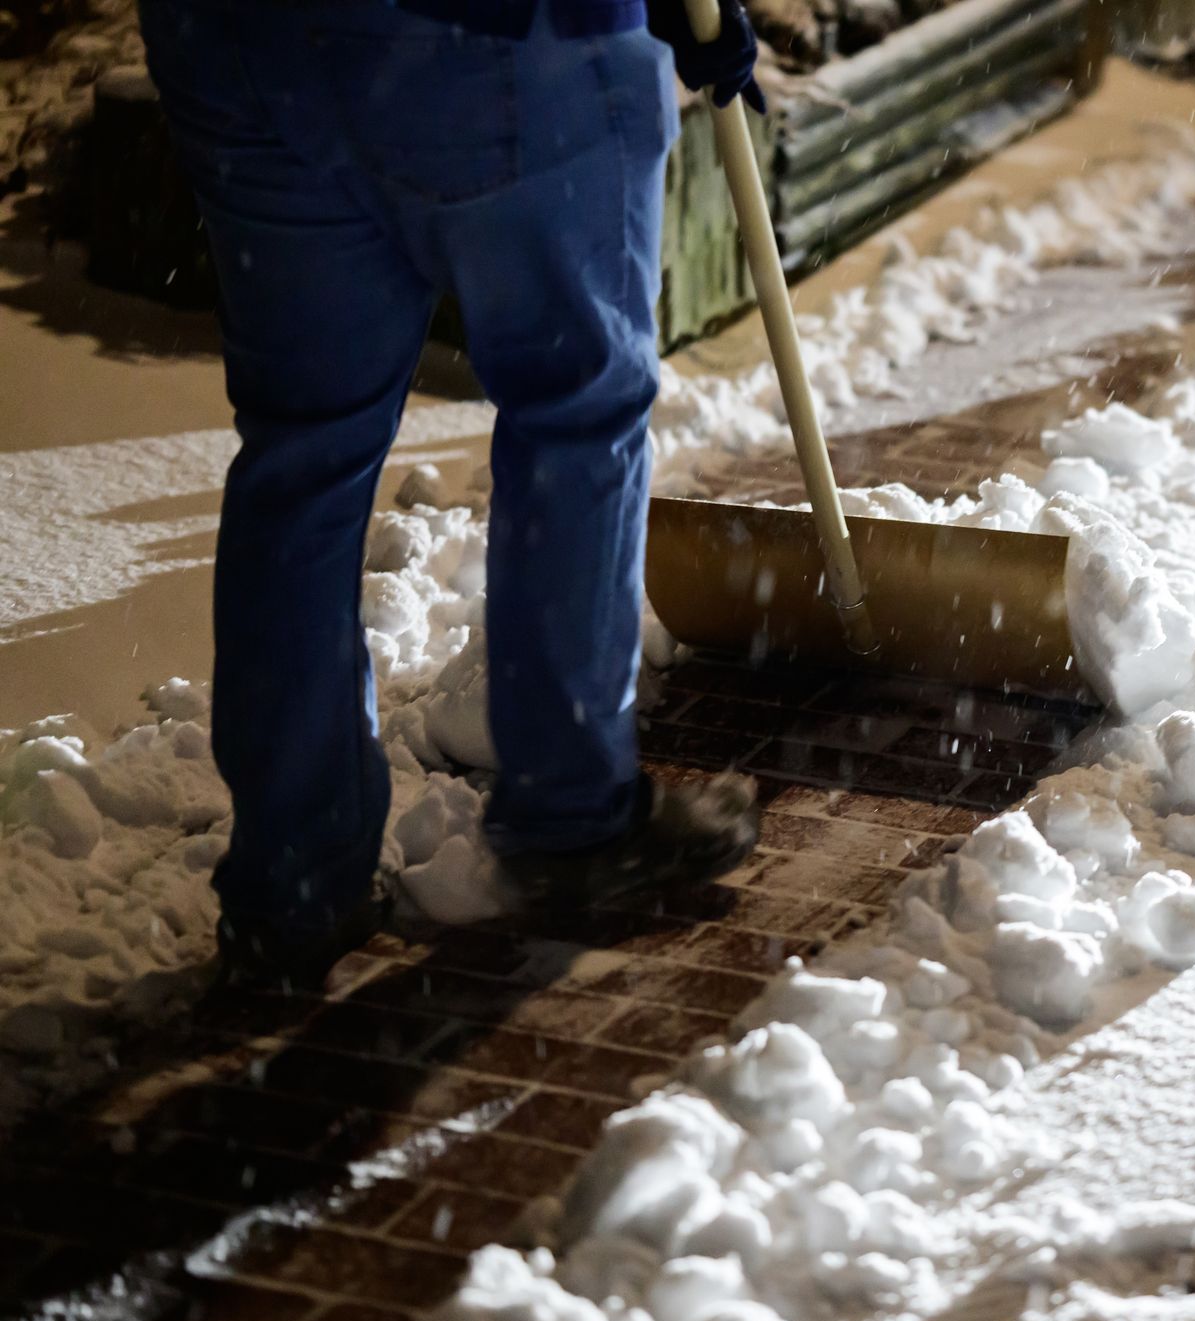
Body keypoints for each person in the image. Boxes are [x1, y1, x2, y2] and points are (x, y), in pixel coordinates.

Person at [137, 0, 770, 989]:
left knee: (303, 455)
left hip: (243, 44)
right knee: (575, 407)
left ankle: (293, 880)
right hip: (501, 35)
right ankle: (569, 814)